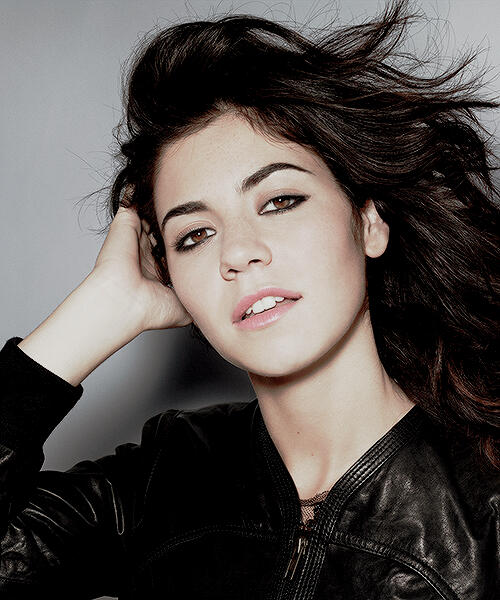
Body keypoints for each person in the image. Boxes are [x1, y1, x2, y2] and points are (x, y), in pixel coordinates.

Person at [1, 0, 498, 597]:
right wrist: (96, 314)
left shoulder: (486, 507)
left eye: (280, 202)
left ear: (368, 223)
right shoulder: (165, 478)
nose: (237, 252)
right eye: (195, 235)